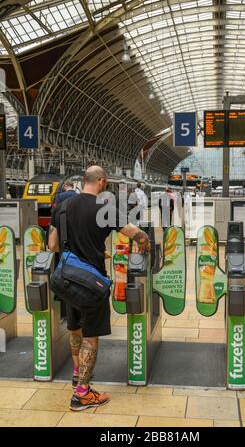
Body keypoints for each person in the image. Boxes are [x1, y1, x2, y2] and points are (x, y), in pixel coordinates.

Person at [48, 166, 150, 411]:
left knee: (74, 328)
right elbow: (136, 235)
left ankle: (77, 376)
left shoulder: (62, 207)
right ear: (102, 181)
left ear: (84, 181)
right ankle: (82, 394)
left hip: (66, 279)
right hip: (91, 284)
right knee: (90, 338)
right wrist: (146, 248)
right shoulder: (105, 209)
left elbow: (52, 245)